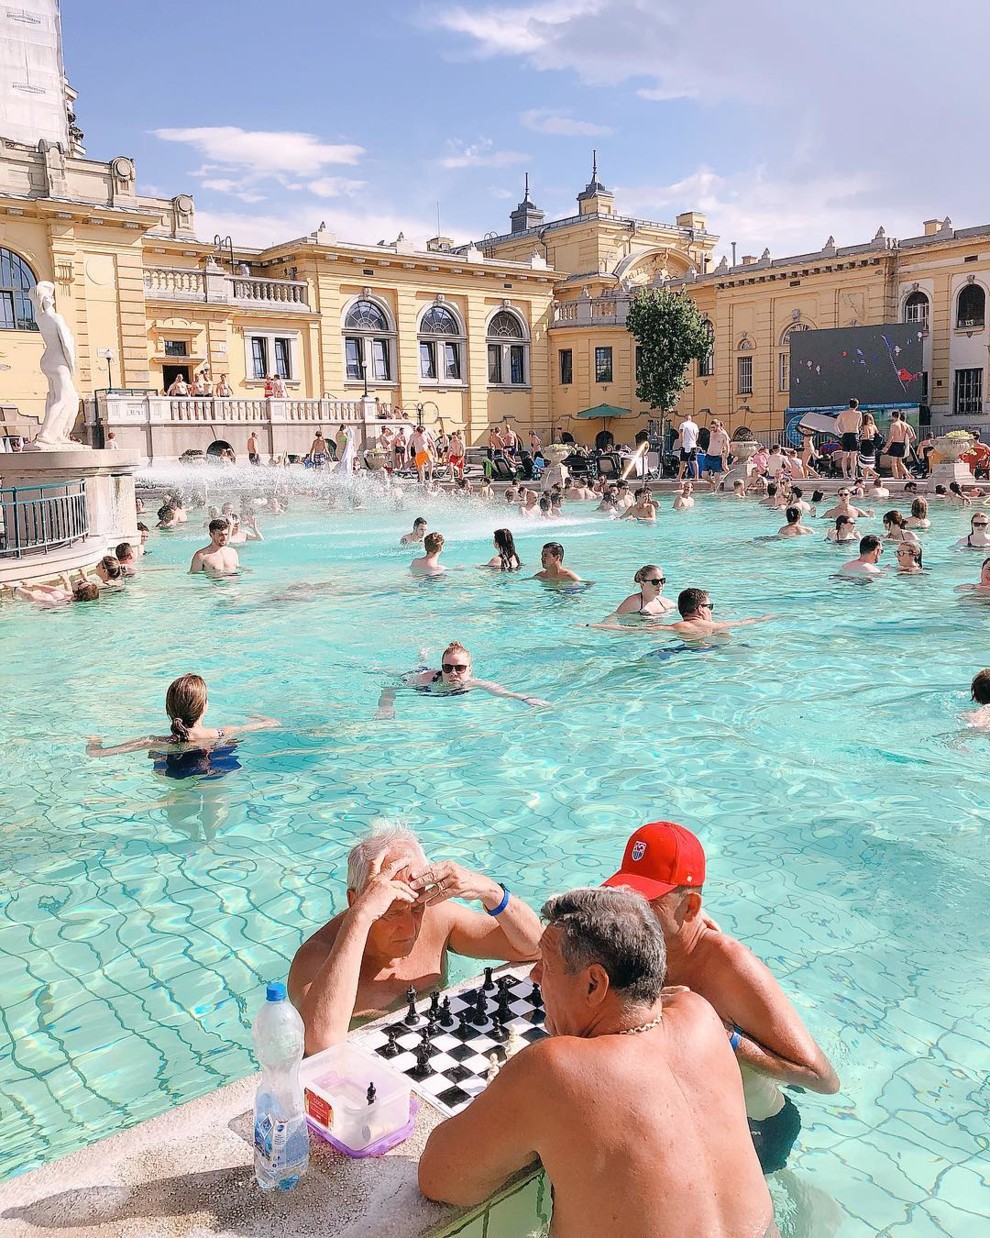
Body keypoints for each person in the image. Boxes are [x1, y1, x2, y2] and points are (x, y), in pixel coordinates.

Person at [418, 887, 774, 1237]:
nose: (534, 976)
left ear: (593, 984)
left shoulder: (552, 1069)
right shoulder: (701, 1016)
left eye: (547, 965)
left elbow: (439, 1178)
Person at [603, 822, 840, 1174]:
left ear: (690, 905)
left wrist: (725, 1035)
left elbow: (823, 1079)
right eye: (625, 896)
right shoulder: (651, 942)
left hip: (757, 1128)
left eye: (647, 902)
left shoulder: (731, 966)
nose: (629, 913)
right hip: (700, 1113)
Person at [288, 823, 543, 1053]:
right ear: (355, 901)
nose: (409, 928)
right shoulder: (315, 958)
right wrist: (361, 917)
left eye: (416, 908)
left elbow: (534, 948)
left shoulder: (437, 917)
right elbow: (321, 1045)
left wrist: (490, 891)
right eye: (392, 912)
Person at [85, 673, 278, 779]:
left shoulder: (155, 742)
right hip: (216, 773)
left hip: (173, 775)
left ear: (169, 710)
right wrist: (260, 717)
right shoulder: (222, 732)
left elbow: (97, 753)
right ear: (205, 707)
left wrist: (93, 742)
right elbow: (271, 724)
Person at [376, 642, 549, 719]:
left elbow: (503, 692)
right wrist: (386, 707)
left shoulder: (474, 683)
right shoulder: (425, 679)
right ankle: (422, 656)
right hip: (418, 673)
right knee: (387, 672)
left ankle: (423, 655)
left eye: (460, 668)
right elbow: (391, 687)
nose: (453, 673)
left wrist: (526, 698)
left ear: (470, 670)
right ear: (442, 667)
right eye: (448, 668)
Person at [667, 588, 773, 641]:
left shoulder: (676, 627)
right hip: (709, 648)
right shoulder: (716, 626)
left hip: (682, 648)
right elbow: (743, 623)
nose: (711, 611)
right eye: (710, 607)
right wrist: (764, 618)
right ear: (700, 608)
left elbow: (651, 628)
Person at [595, 564, 673, 624]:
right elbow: (613, 618)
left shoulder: (667, 603)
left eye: (662, 581)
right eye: (655, 582)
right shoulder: (634, 602)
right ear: (643, 583)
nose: (660, 585)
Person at [11, 571, 100, 606]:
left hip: (44, 610)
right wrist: (34, 585)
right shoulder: (72, 595)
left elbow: (31, 597)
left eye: (81, 583)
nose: (80, 580)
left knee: (49, 598)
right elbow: (55, 589)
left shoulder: (63, 605)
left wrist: (15, 587)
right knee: (58, 594)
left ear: (77, 593)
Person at [883, 410, 915, 481]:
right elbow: (911, 435)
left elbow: (891, 437)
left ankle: (896, 477)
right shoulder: (905, 425)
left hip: (895, 444)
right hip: (902, 444)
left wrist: (886, 446)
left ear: (893, 417)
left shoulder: (894, 425)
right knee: (900, 462)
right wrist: (907, 442)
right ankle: (908, 474)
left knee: (894, 463)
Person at [836, 398, 863, 479]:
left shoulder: (843, 414)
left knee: (844, 456)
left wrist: (839, 432)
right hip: (854, 434)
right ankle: (853, 475)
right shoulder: (858, 414)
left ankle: (845, 475)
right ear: (857, 405)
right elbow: (859, 424)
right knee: (853, 456)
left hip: (845, 434)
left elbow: (836, 424)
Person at [703, 418, 730, 489]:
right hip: (708, 455)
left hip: (717, 457)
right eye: (711, 427)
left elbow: (727, 446)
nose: (712, 429)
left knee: (717, 476)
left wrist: (725, 457)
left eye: (713, 427)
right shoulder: (711, 433)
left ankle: (716, 492)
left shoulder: (723, 434)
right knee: (704, 475)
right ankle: (712, 483)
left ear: (718, 426)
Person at [675, 412, 699, 480]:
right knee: (694, 461)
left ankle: (679, 477)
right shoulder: (695, 425)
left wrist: (681, 441)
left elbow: (681, 433)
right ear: (690, 419)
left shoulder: (683, 424)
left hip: (686, 445)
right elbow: (697, 435)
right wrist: (694, 441)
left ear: (685, 418)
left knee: (683, 461)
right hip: (693, 445)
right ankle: (696, 476)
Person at [858, 412, 882, 480]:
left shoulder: (865, 427)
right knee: (869, 462)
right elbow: (877, 435)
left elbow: (867, 437)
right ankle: (865, 478)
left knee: (863, 462)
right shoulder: (874, 426)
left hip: (866, 445)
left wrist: (860, 438)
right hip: (872, 445)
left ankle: (874, 473)